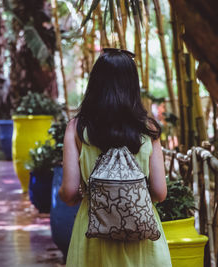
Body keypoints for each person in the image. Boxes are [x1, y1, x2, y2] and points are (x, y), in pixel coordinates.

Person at [59, 48, 172, 266]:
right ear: (132, 85)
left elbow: (70, 191)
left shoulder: (77, 128)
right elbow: (160, 192)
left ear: (95, 84)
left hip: (93, 233)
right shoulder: (148, 129)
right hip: (142, 234)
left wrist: (76, 195)